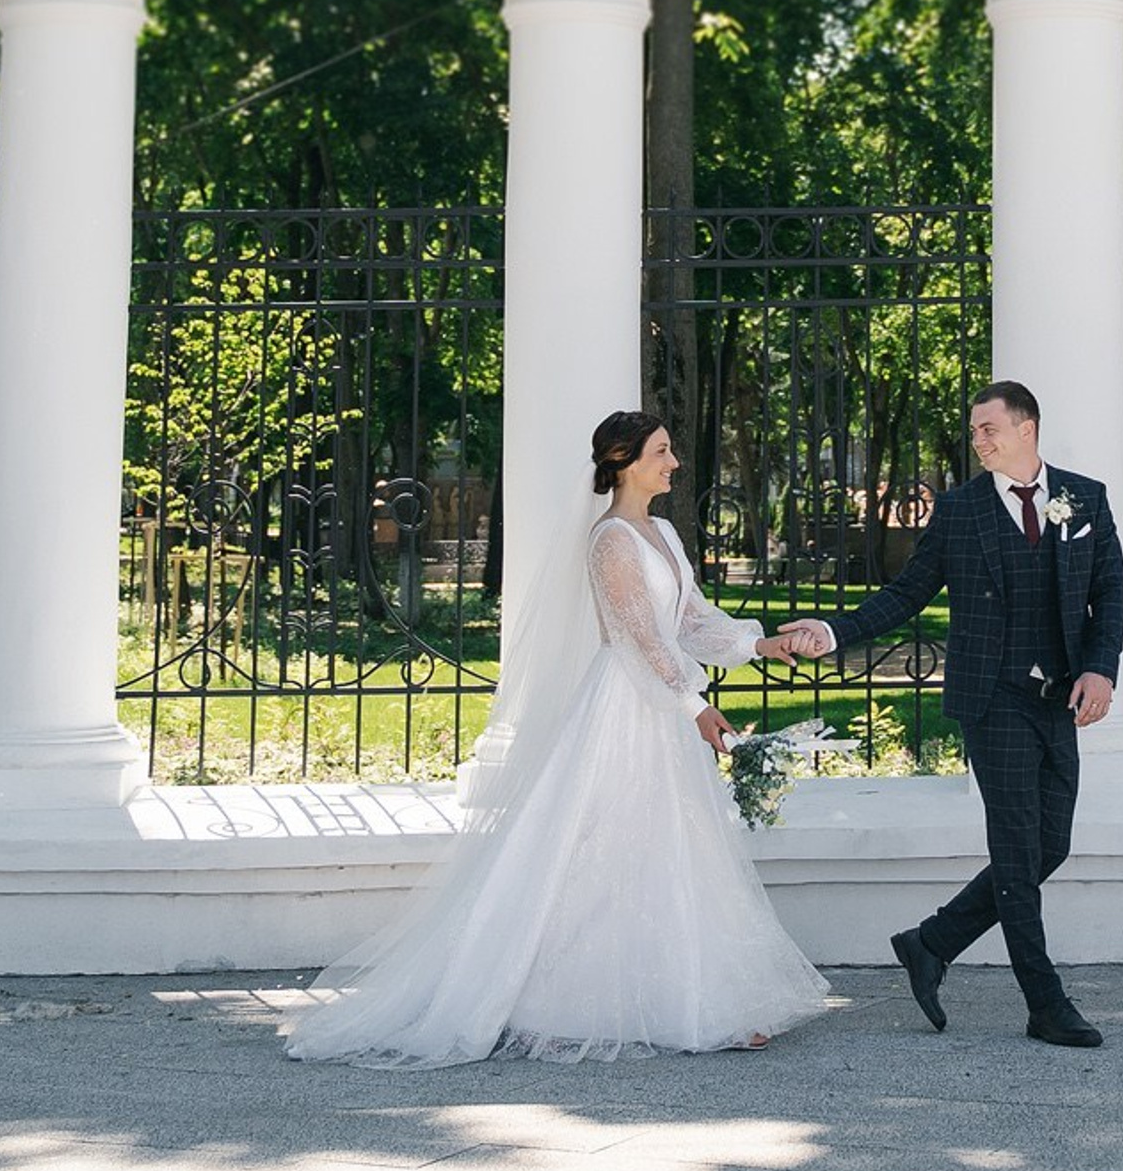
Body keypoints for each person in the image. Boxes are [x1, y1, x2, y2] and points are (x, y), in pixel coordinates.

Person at [284, 410, 827, 1067]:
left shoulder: (662, 533)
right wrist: (695, 706)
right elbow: (638, 637)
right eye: (661, 452)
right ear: (625, 462)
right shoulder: (611, 542)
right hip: (625, 710)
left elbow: (689, 618)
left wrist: (758, 643)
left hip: (661, 711)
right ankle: (553, 1002)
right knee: (599, 853)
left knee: (670, 851)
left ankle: (696, 1000)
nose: (674, 463)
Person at [784, 378, 1123, 1050]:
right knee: (1017, 847)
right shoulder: (962, 509)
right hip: (990, 698)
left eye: (988, 428)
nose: (978, 440)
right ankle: (1044, 1000)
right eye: (974, 430)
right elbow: (909, 591)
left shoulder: (1084, 497)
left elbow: (1110, 589)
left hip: (1058, 697)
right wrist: (834, 631)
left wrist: (1100, 666)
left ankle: (930, 942)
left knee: (1048, 846)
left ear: (1027, 428)